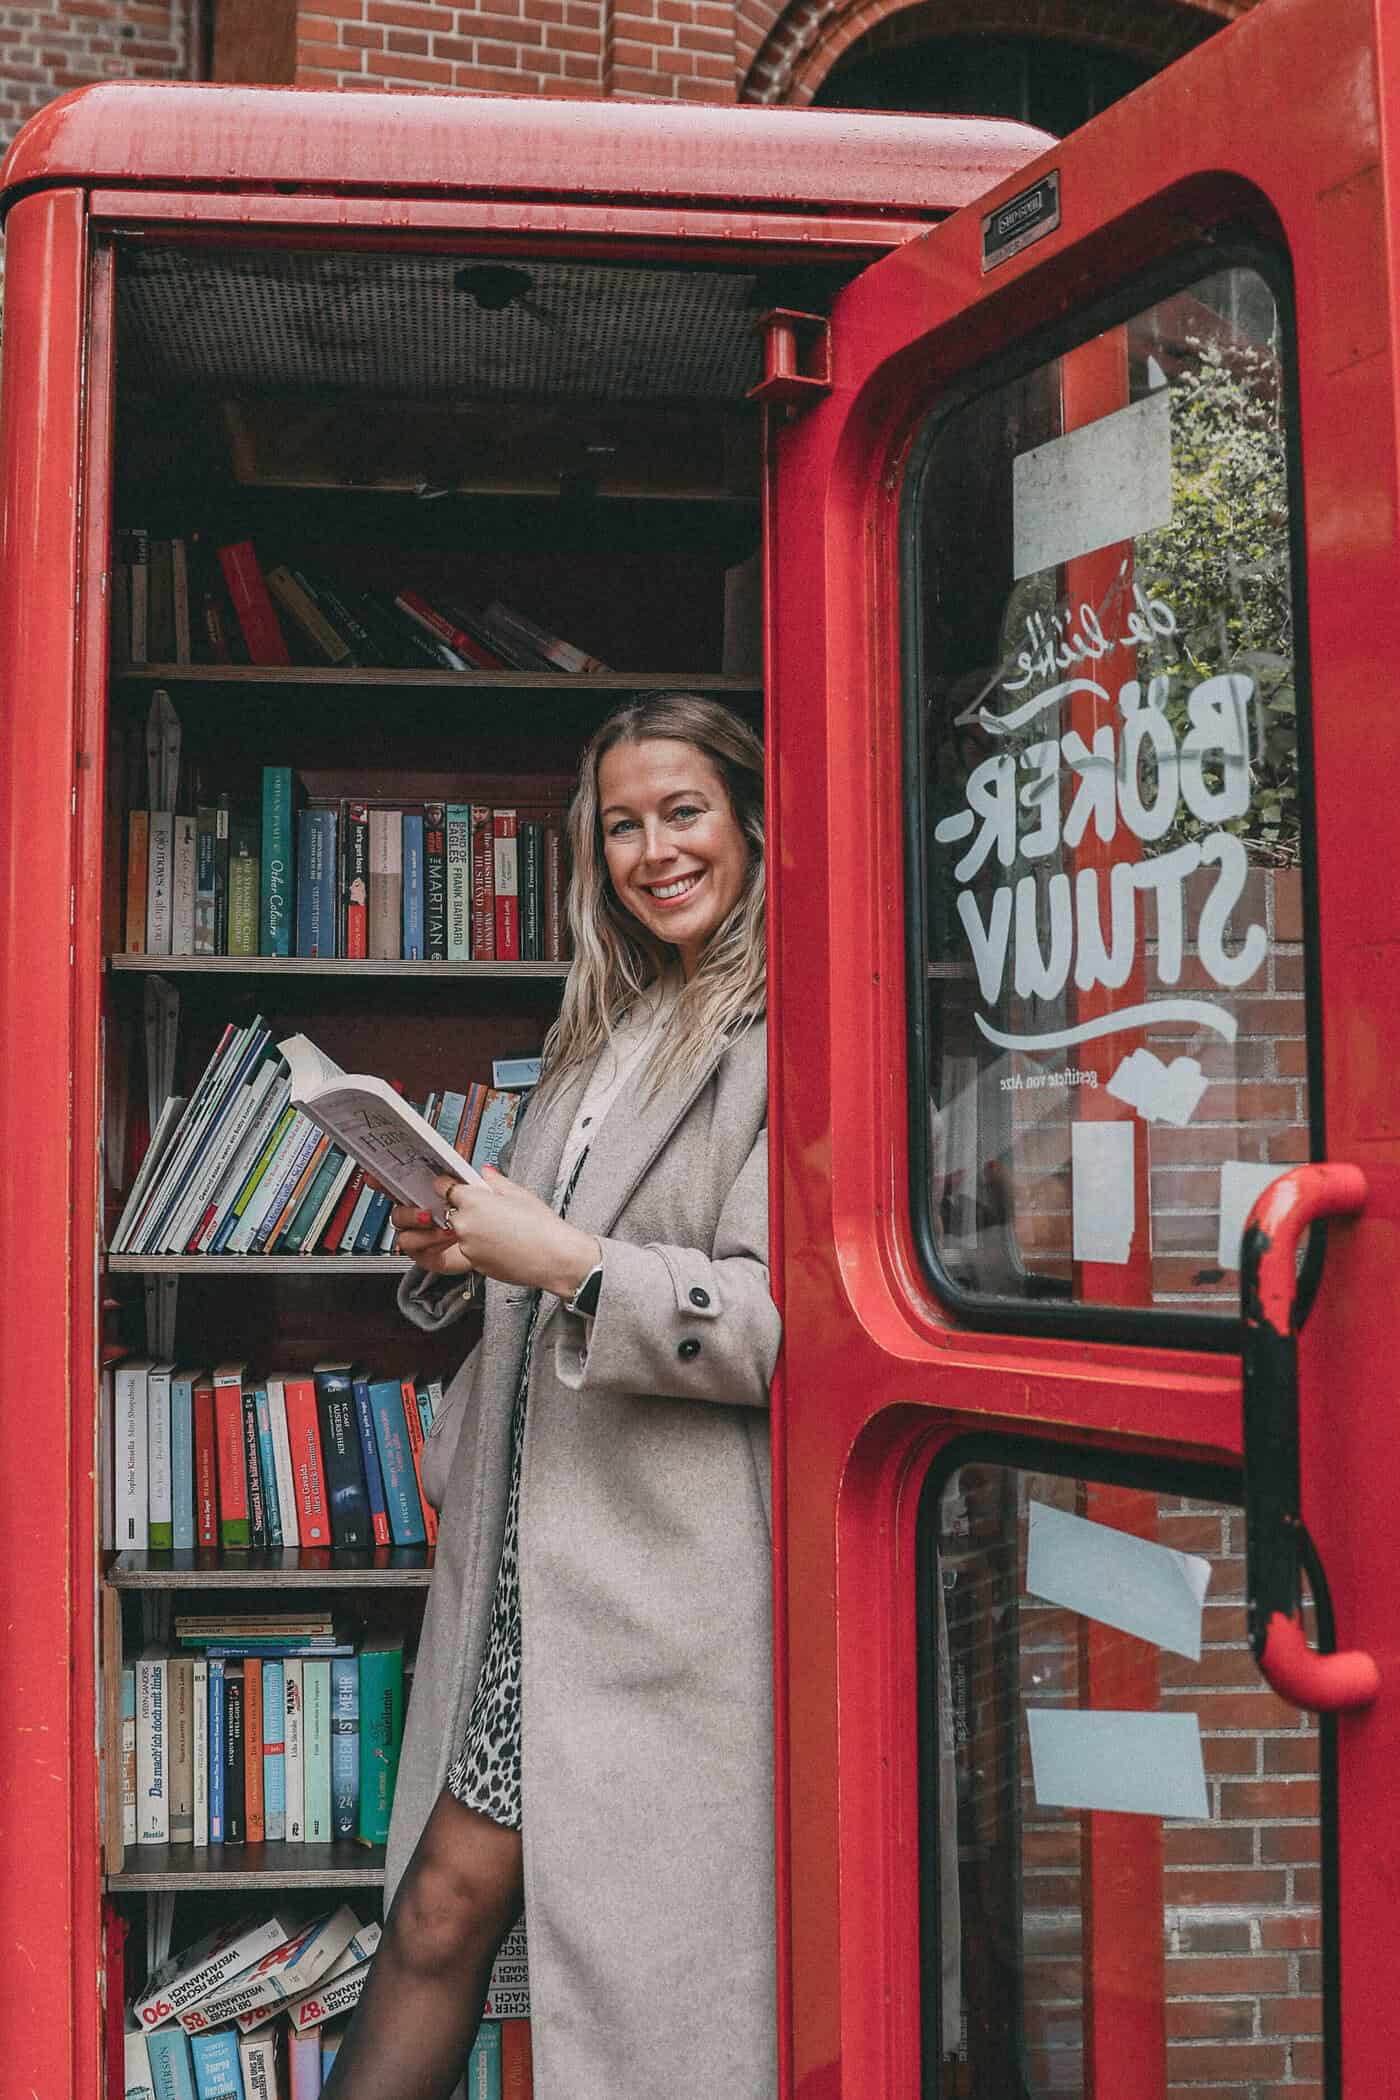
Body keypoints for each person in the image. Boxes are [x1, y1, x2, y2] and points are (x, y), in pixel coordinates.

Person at [322, 693, 782, 2100]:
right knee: (437, 1918)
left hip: (660, 1589)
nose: (655, 852)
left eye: (684, 812)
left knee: (583, 1974)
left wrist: (570, 1261)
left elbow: (773, 1329)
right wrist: (460, 1248)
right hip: (528, 1566)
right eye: (625, 824)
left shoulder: (791, 1040)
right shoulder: (604, 1033)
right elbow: (547, 1265)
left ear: (756, 826)